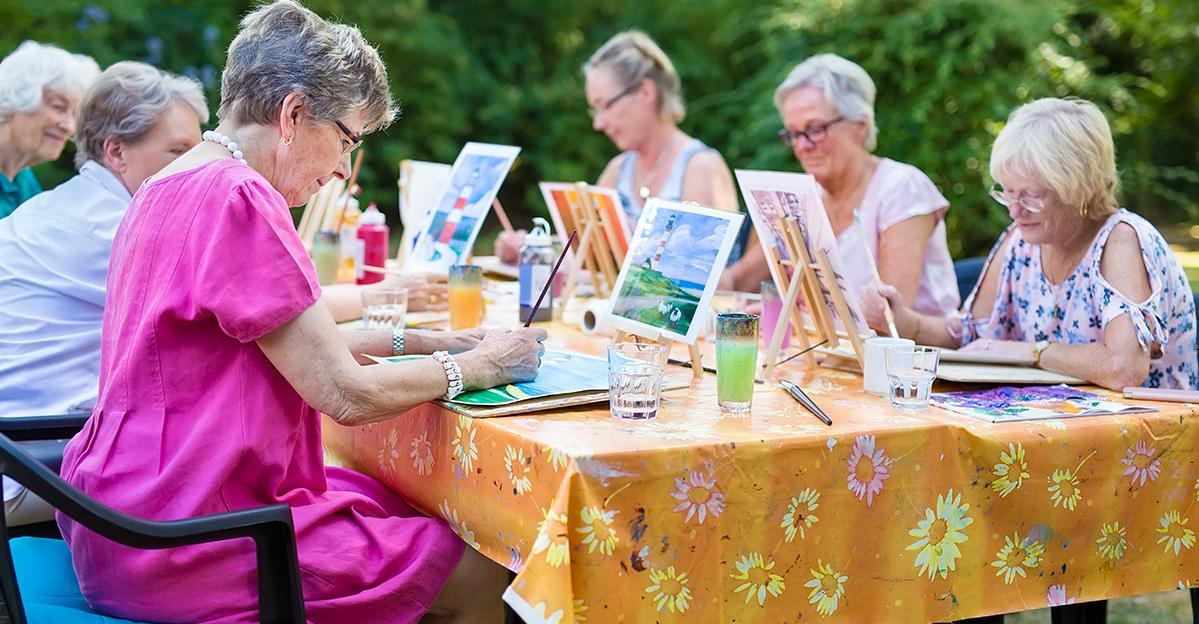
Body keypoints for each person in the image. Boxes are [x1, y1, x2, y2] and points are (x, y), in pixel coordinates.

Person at [57, 2, 545, 622]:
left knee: (397, 502)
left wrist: (436, 341)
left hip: (120, 517)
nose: (345, 167)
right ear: (292, 114)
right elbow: (344, 393)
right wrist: (480, 367)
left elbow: (306, 346)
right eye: (347, 139)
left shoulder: (168, 184)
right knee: (484, 565)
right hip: (192, 538)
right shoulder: (241, 197)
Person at [862, 97, 1197, 391]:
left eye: (1032, 195)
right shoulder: (1021, 241)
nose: (1014, 209)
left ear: (1079, 186)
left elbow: (1123, 368)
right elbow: (970, 335)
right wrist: (904, 320)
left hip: (1150, 441)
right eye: (1007, 192)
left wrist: (1031, 351)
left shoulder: (1121, 240)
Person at [0, 61, 207, 524]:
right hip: (26, 460)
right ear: (116, 152)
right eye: (178, 151)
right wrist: (390, 298)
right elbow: (257, 315)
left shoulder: (63, 205)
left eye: (200, 152)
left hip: (20, 438)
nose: (198, 169)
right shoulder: (118, 231)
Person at [720, 54, 959, 319]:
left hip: (922, 358)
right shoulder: (804, 200)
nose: (802, 146)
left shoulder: (901, 187)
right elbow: (739, 282)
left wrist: (790, 319)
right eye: (794, 133)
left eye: (815, 129)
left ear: (859, 126)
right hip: (833, 358)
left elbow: (892, 316)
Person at [495, 29, 739, 263]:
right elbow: (584, 253)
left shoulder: (701, 168)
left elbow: (700, 281)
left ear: (645, 92)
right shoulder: (619, 169)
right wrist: (528, 249)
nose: (598, 123)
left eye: (605, 106)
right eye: (594, 109)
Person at [0, 41, 100, 218]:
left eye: (75, 114)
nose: (69, 127)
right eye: (58, 107)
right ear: (17, 97)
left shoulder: (23, 180)